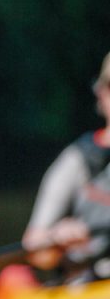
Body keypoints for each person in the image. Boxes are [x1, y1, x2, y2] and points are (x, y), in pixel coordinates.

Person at [22, 49, 110, 284]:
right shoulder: (77, 161)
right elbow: (34, 247)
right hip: (87, 287)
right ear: (101, 93)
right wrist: (55, 238)